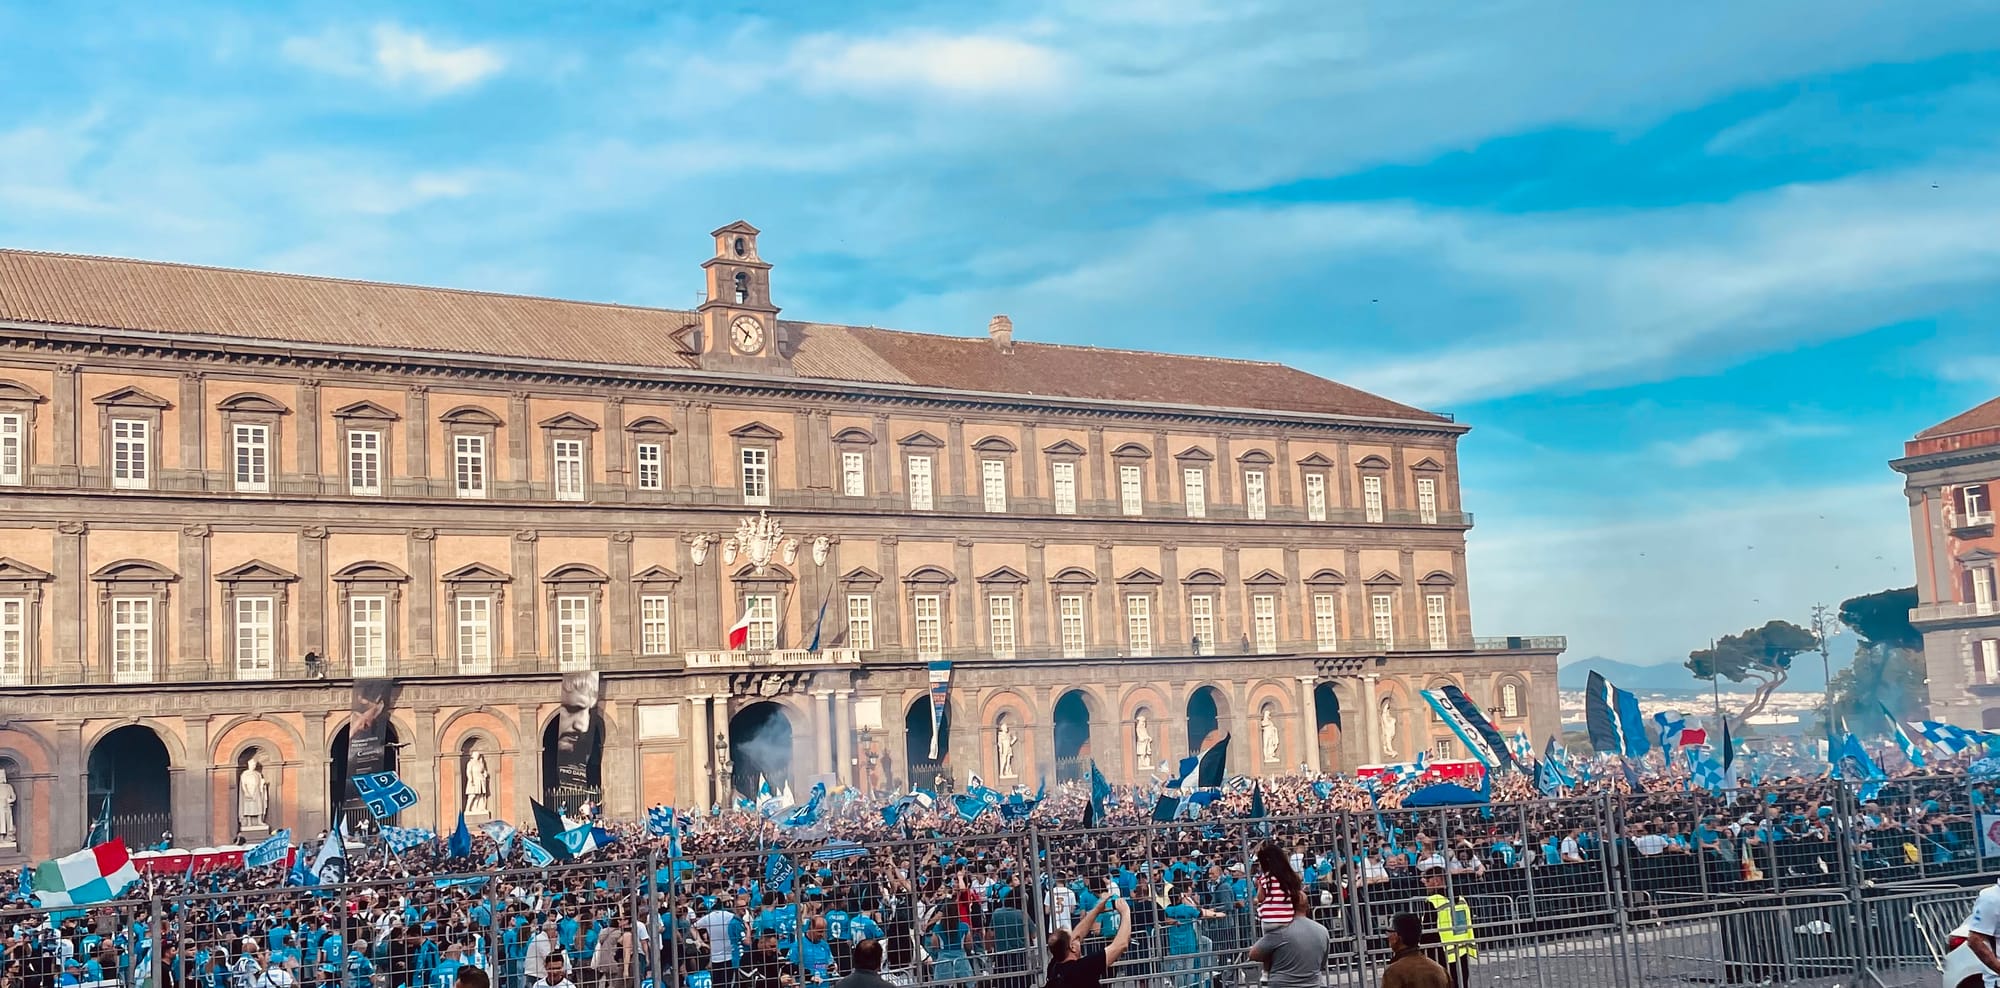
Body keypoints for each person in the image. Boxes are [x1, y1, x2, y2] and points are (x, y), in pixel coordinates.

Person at [1045, 889, 1131, 988]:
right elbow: (1121, 945)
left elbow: (1078, 933)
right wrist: (1125, 912)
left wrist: (1097, 910)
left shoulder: (1054, 968)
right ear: (1072, 947)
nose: (1077, 937)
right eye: (1073, 938)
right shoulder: (1083, 968)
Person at [1247, 907, 1328, 988]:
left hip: (1283, 983)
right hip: (1313, 984)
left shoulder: (1279, 930)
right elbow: (1322, 963)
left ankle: (1265, 974)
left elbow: (1253, 955)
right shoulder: (1322, 930)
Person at [1380, 915, 1449, 988]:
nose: (1387, 936)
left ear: (1396, 936)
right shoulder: (1440, 970)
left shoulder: (1393, 972)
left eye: (1388, 932)